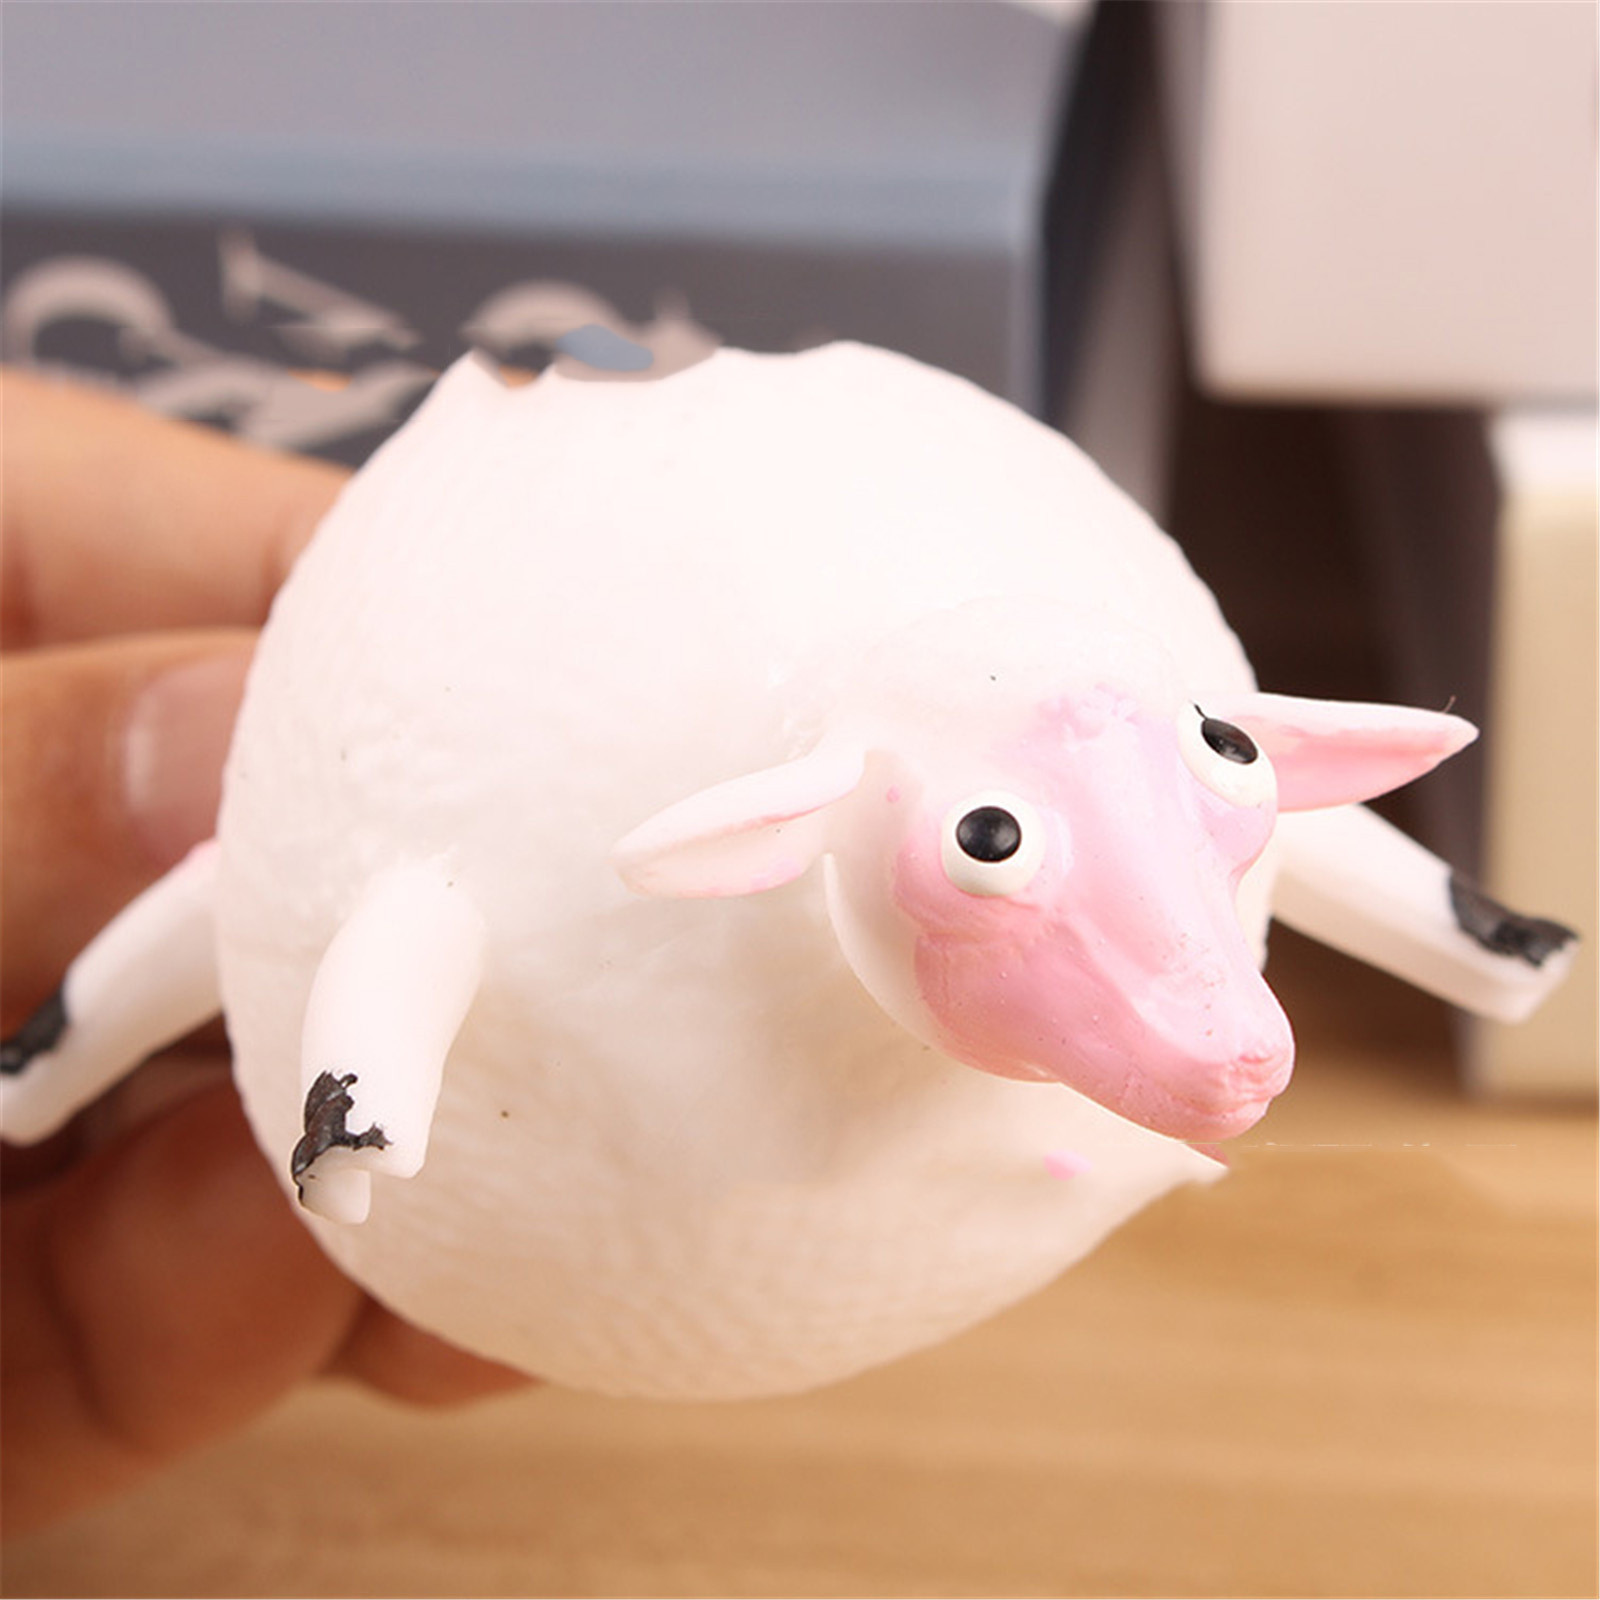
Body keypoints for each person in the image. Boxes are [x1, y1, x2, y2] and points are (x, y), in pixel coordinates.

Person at [0, 369, 530, 1540]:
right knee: (215, 941)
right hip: (303, 850)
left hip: (338, 869)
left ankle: (54, 1075)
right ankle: (44, 1071)